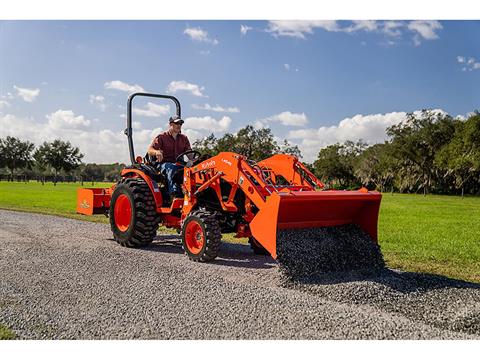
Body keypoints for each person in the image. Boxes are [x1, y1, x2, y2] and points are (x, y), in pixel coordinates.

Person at [147, 115, 191, 199]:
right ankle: (175, 194)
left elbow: (189, 153)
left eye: (180, 123)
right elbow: (150, 149)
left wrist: (195, 160)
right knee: (171, 167)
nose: (179, 125)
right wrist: (156, 152)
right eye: (177, 123)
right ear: (170, 124)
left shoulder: (184, 138)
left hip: (179, 164)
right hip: (163, 164)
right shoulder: (162, 137)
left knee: (194, 169)